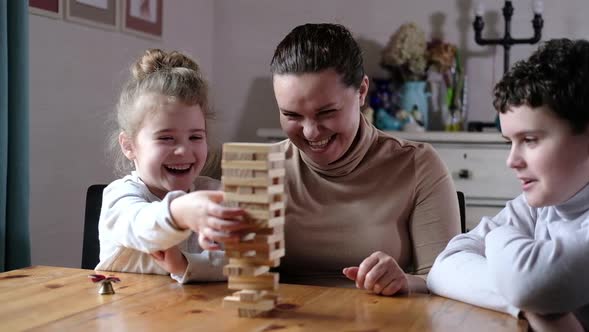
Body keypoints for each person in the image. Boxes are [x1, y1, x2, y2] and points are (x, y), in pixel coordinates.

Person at [267, 23, 460, 295]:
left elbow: (449, 282)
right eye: (292, 115)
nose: (310, 132)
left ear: (362, 92)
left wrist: (404, 281)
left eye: (326, 112)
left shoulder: (417, 165)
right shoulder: (263, 169)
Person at [427, 38, 589, 331]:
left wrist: (497, 236)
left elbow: (532, 283)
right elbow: (443, 267)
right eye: (509, 142)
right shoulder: (539, 206)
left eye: (529, 140)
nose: (512, 160)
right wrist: (536, 309)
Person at [96, 49, 249, 283]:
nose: (184, 150)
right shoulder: (119, 197)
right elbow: (141, 225)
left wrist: (185, 264)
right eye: (166, 138)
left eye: (195, 137)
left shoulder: (214, 194)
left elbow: (244, 262)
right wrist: (179, 213)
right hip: (127, 314)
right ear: (129, 145)